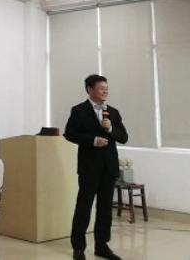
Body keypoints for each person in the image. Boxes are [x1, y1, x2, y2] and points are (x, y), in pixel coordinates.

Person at [64, 74, 128, 260]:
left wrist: (110, 129)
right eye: (101, 88)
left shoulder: (113, 112)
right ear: (89, 90)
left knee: (105, 208)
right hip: (89, 167)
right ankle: (78, 247)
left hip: (109, 167)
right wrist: (93, 140)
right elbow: (70, 134)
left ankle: (102, 246)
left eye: (107, 88)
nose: (105, 91)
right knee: (84, 207)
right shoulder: (79, 110)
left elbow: (124, 137)